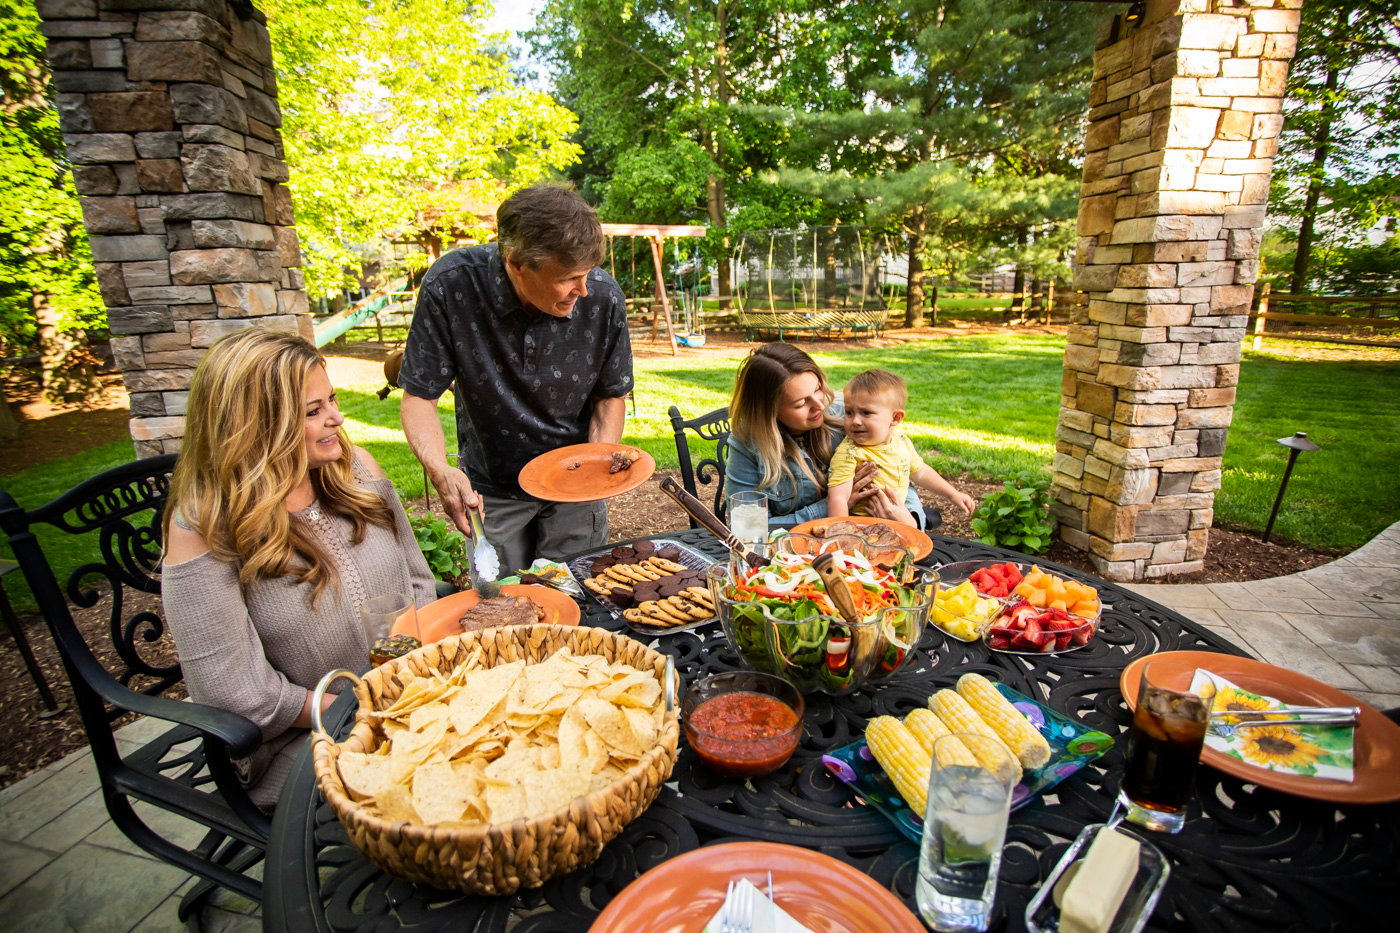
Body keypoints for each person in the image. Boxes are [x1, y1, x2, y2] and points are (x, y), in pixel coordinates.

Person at [161, 328, 436, 809]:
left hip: (406, 693)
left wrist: (423, 675)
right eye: (313, 412)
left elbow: (416, 579)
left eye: (330, 400)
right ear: (256, 426)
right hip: (302, 738)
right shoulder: (203, 528)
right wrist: (360, 711)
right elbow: (236, 694)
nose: (338, 418)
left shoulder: (358, 471)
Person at [398, 184, 633, 574]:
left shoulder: (603, 298)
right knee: (501, 609)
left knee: (577, 599)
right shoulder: (452, 286)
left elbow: (611, 396)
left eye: (588, 273)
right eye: (569, 277)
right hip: (491, 490)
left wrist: (593, 467)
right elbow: (420, 395)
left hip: (575, 486)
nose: (584, 289)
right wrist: (440, 469)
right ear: (516, 263)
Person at [724, 343, 929, 528]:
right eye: (801, 403)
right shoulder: (747, 445)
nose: (820, 405)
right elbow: (749, 527)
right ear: (769, 411)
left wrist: (910, 518)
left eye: (818, 389)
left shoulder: (847, 414)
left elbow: (899, 467)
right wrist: (833, 505)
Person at [827, 368, 976, 525]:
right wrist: (842, 531)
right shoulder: (850, 453)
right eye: (849, 412)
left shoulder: (900, 441)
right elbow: (838, 497)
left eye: (866, 413)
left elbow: (921, 472)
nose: (855, 421)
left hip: (898, 512)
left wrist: (953, 494)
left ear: (895, 418)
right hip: (863, 523)